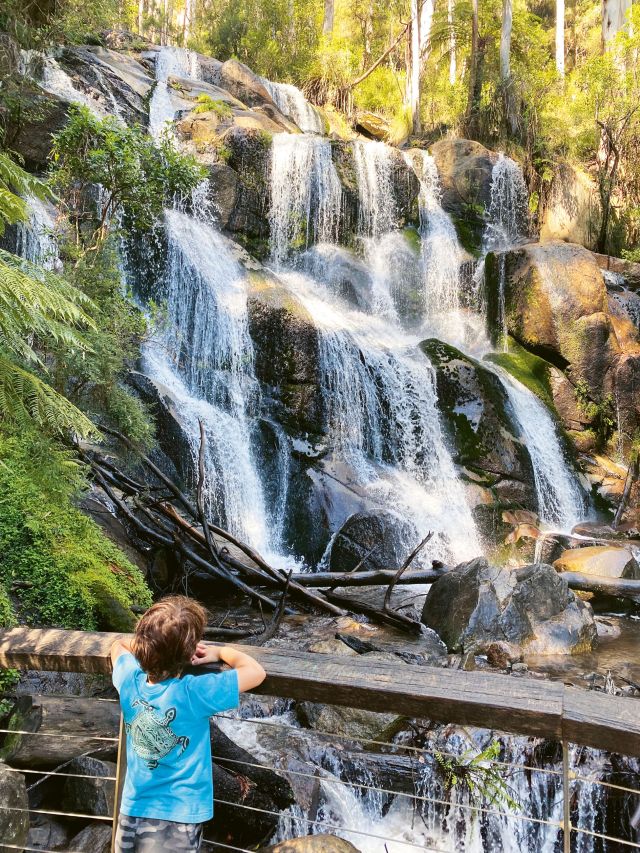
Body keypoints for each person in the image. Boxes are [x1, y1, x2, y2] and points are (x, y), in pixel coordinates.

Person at [110, 595, 266, 852]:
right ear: (188, 653)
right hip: (180, 814)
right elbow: (256, 672)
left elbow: (118, 646)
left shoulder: (129, 681)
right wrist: (220, 651)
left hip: (134, 807)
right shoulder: (193, 693)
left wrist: (150, 646)